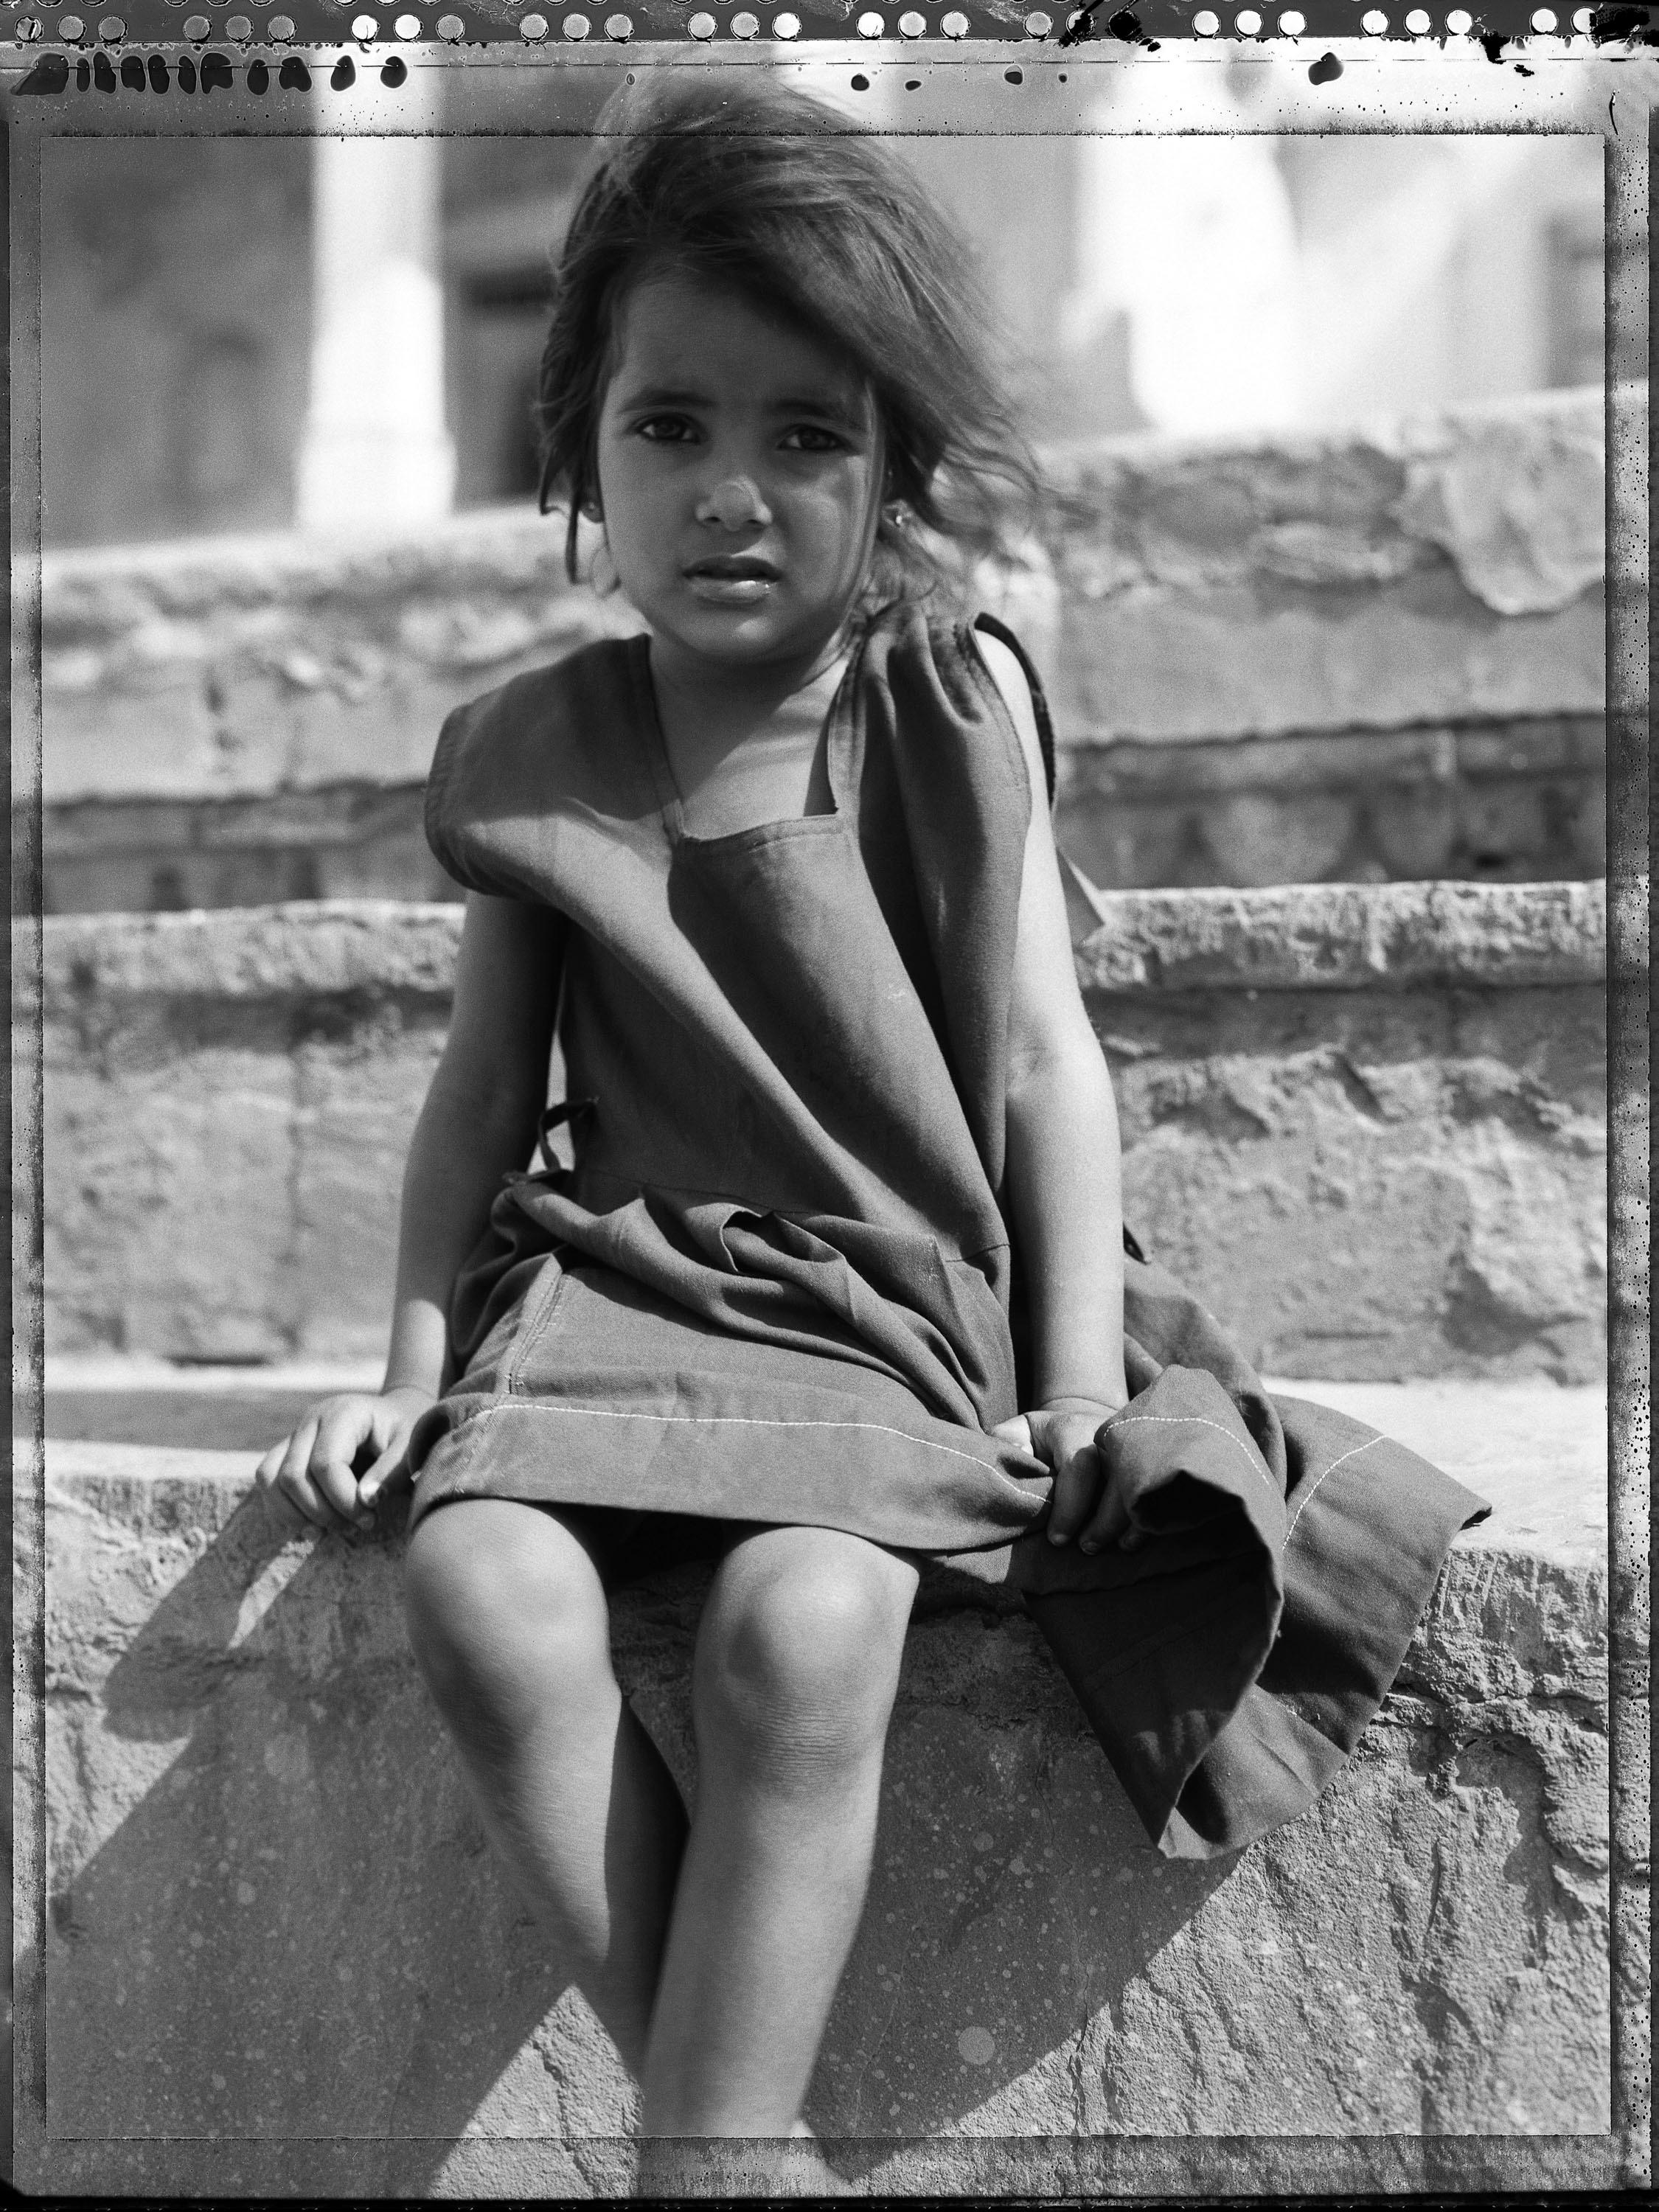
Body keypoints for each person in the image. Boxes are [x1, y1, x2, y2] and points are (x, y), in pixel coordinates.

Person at [257, 76, 1485, 2191]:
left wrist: (1077, 1382)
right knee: (477, 1590)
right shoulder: (529, 753)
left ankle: (697, 2161)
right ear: (578, 446)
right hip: (618, 1292)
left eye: (803, 438)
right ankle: (738, 2157)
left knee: (801, 1630)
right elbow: (482, 1087)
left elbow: (1034, 1063)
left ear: (893, 467)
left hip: (884, 1305)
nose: (730, 494)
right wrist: (401, 1367)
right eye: (671, 428)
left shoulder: (941, 699)